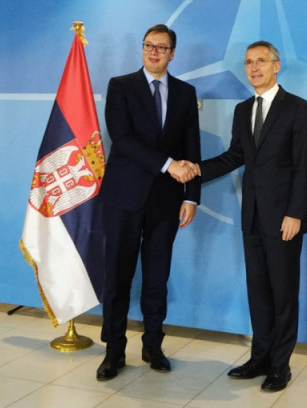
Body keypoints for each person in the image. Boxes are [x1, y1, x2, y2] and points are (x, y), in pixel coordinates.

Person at [193, 41, 307, 392]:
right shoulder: (243, 109)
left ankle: (280, 365)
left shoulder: (298, 108)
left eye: (261, 61)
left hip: (284, 220)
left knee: (283, 294)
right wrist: (196, 169)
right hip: (252, 217)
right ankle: (260, 357)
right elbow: (235, 156)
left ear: (277, 66)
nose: (254, 68)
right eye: (249, 62)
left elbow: (304, 165)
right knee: (259, 292)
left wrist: (295, 213)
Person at [96, 24, 200, 381]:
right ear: (142, 49)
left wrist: (192, 196)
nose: (154, 52)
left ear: (172, 54)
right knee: (118, 277)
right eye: (148, 46)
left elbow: (191, 145)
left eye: (161, 47)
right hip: (123, 197)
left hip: (166, 201)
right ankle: (114, 350)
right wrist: (169, 164)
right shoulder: (120, 86)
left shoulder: (185, 93)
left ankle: (153, 345)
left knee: (157, 277)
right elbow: (122, 138)